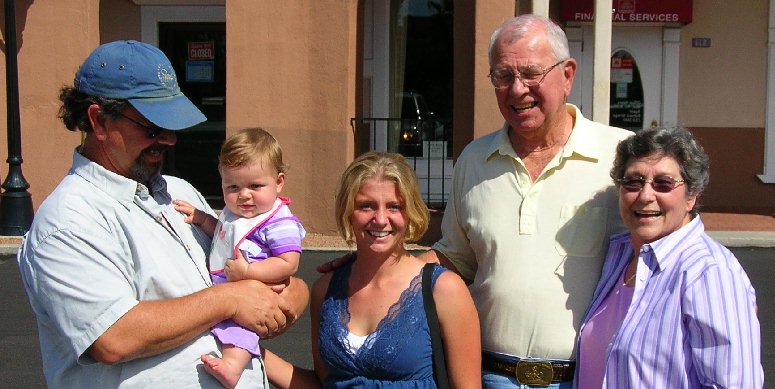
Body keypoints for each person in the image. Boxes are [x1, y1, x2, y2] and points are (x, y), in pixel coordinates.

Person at [16, 40, 308, 389]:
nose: (168, 139)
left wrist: (292, 293)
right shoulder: (69, 220)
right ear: (98, 121)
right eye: (153, 126)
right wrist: (229, 299)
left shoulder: (178, 191)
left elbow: (252, 266)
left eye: (173, 126)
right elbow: (113, 337)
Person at [414, 15, 632, 388]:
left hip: (587, 378)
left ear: (567, 75)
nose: (517, 90)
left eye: (531, 73)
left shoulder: (620, 156)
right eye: (502, 76)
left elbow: (668, 250)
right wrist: (372, 270)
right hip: (488, 375)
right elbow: (456, 258)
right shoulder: (474, 159)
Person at [266, 151, 481, 388]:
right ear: (348, 212)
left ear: (411, 212)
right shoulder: (326, 290)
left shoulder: (443, 290)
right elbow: (324, 384)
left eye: (394, 206)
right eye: (366, 206)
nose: (380, 219)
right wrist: (250, 351)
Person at [575, 126, 763, 388]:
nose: (645, 196)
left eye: (663, 183)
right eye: (633, 182)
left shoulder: (709, 272)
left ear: (691, 195)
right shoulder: (619, 257)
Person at [173, 127, 306, 388]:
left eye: (255, 186)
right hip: (232, 287)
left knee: (241, 329)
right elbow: (224, 236)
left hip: (258, 288)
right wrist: (202, 219)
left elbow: (288, 262)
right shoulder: (236, 215)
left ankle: (233, 366)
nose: (244, 195)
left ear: (279, 182)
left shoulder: (278, 221)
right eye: (233, 186)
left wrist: (248, 274)